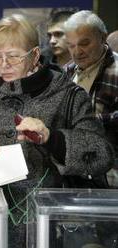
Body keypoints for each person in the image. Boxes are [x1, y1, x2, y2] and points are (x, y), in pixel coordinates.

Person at [0, 14, 114, 248]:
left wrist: (52, 138)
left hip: (47, 229)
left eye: (13, 57)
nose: (3, 65)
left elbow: (101, 155)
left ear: (34, 56)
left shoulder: (69, 96)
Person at [64, 10, 118, 187]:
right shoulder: (67, 72)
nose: (77, 51)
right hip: (74, 173)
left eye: (84, 43)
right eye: (71, 45)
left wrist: (89, 122)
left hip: (111, 174)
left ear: (103, 37)